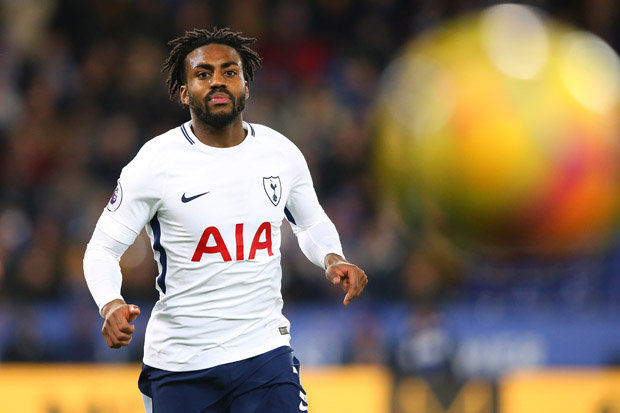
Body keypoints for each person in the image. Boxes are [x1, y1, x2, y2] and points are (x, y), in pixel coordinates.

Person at [82, 27, 368, 413]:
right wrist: (110, 303)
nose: (218, 81)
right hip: (182, 365)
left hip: (264, 353)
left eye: (229, 72)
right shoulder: (155, 163)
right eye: (203, 74)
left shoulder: (280, 153)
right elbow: (101, 250)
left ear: (246, 87)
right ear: (185, 92)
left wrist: (333, 257)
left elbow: (310, 222)